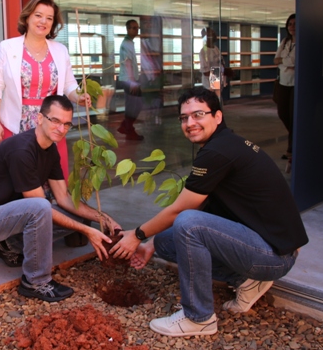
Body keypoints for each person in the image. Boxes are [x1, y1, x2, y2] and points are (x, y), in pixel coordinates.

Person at [111, 87, 308, 338]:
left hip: (272, 256)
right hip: (275, 248)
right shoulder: (226, 143)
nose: (190, 123)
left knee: (188, 223)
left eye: (198, 115)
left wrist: (137, 235)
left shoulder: (217, 152)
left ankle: (199, 318)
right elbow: (203, 205)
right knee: (167, 241)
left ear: (217, 116)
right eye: (184, 118)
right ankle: (246, 280)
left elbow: (183, 209)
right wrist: (152, 243)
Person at [0, 95, 120, 302]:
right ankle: (35, 281)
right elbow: (41, 207)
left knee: (78, 217)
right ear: (39, 118)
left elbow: (63, 198)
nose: (61, 128)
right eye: (54, 121)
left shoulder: (50, 149)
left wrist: (104, 219)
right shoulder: (22, 150)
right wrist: (88, 232)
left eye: (66, 124)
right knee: (41, 208)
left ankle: (8, 245)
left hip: (13, 214)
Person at [0, 0, 90, 179]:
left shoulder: (60, 50)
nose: (43, 21)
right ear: (27, 17)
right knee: (17, 178)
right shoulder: (7, 48)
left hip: (51, 123)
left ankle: (50, 208)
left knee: (51, 178)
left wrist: (78, 96)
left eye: (49, 18)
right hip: (15, 123)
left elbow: (68, 85)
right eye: (38, 15)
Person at [273, 14, 296, 172]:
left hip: (295, 84)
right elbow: (276, 59)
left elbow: (293, 62)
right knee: (283, 114)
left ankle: (291, 150)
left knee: (293, 116)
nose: (292, 27)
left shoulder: (302, 41)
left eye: (295, 24)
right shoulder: (285, 41)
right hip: (283, 83)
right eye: (289, 24)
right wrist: (284, 61)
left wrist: (283, 61)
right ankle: (295, 138)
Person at [116, 19, 144, 140]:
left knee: (134, 105)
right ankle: (127, 128)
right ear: (127, 29)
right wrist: (132, 81)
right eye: (133, 28)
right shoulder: (126, 44)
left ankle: (126, 126)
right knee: (135, 105)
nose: (136, 30)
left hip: (130, 79)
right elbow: (128, 62)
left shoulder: (130, 42)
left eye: (137, 28)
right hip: (128, 80)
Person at [199, 27, 225, 100]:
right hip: (210, 85)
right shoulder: (204, 51)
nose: (213, 35)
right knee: (214, 102)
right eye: (210, 34)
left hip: (217, 81)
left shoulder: (216, 49)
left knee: (218, 101)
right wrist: (218, 76)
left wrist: (224, 73)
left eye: (213, 33)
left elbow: (221, 63)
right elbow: (205, 71)